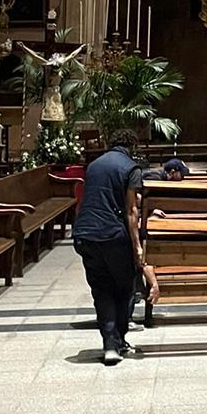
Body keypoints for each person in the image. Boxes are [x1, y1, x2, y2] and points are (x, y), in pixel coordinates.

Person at [72, 129, 145, 365]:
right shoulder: (131, 168)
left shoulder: (93, 166)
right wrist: (137, 247)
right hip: (112, 235)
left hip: (85, 234)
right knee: (125, 287)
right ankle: (118, 341)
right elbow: (132, 211)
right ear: (132, 147)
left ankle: (109, 344)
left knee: (101, 289)